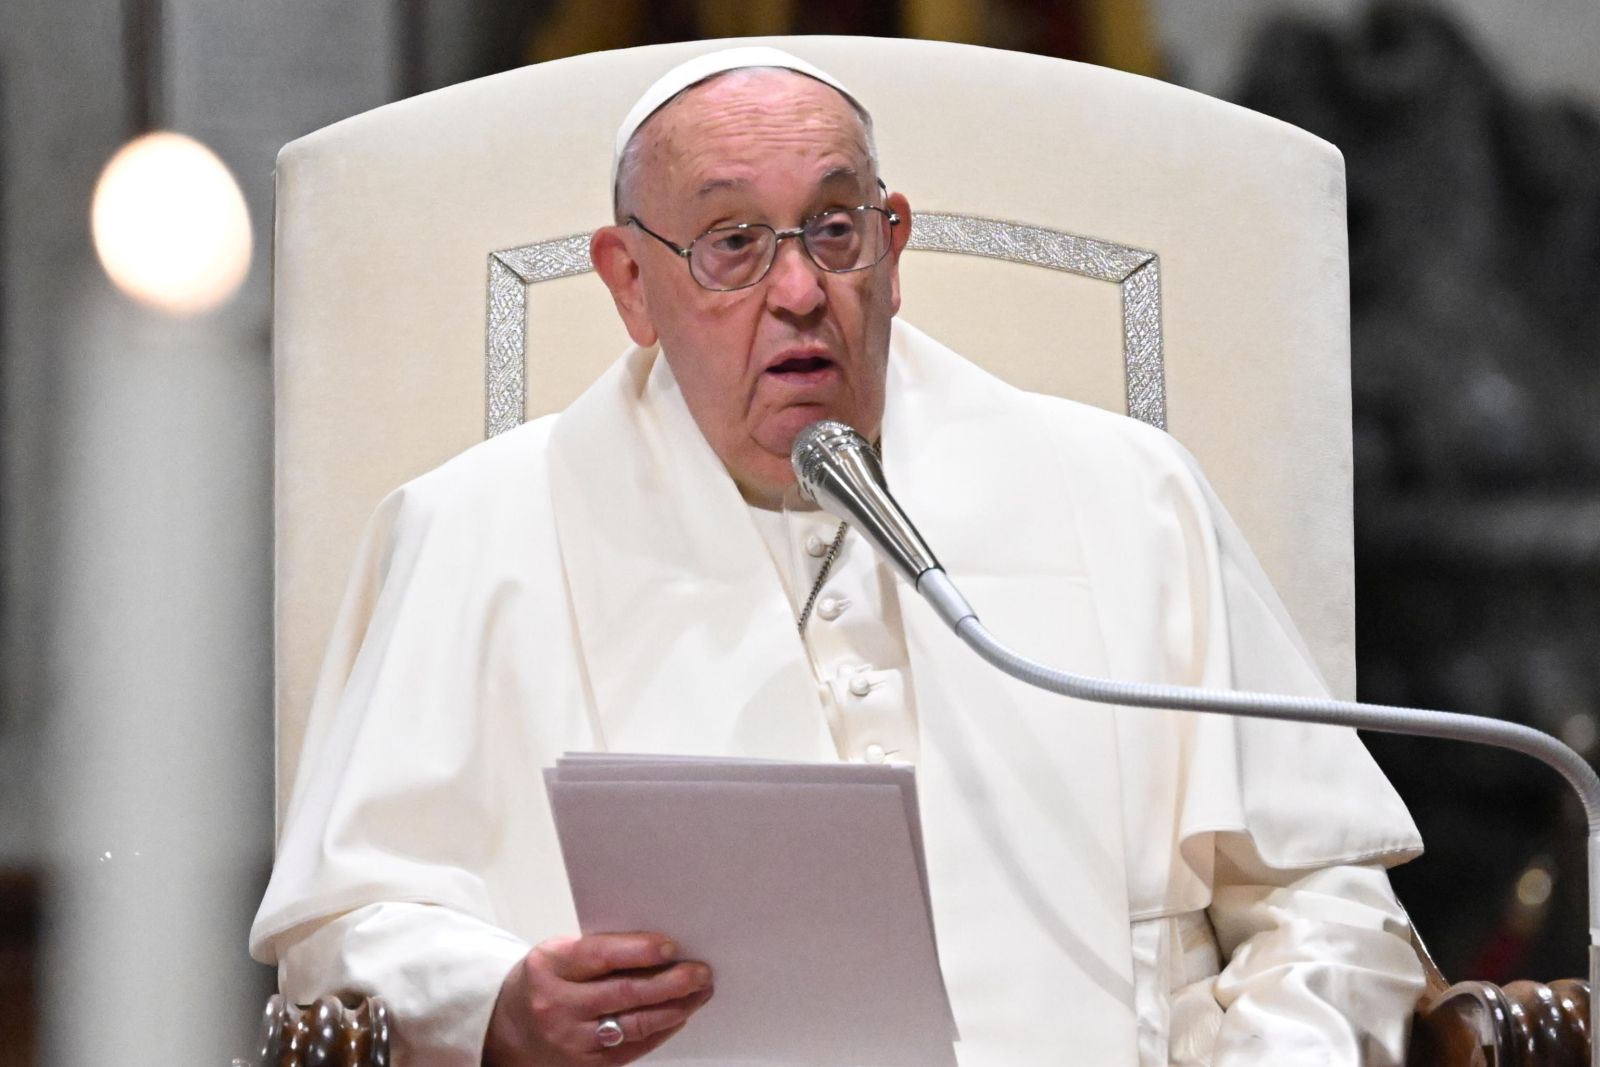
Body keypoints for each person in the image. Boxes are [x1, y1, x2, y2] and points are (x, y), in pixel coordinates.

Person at [252, 47, 1427, 1067]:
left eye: (834, 227)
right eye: (730, 243)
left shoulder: (1128, 498)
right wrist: (503, 1007)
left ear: (894, 242)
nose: (801, 290)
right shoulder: (473, 530)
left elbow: (1323, 900)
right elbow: (341, 933)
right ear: (628, 282)